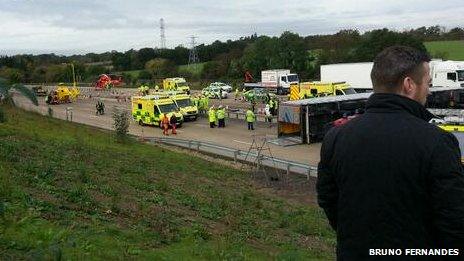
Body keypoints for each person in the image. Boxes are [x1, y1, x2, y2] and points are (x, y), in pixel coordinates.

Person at [317, 46, 464, 260]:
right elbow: (454, 222)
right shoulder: (438, 141)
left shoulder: (336, 137)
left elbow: (328, 201)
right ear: (409, 85)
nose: (430, 91)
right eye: (428, 84)